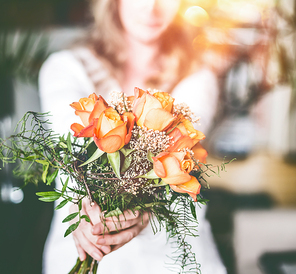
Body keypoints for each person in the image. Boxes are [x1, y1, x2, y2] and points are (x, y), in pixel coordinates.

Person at [39, 0, 227, 273]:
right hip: (82, 243)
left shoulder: (198, 77)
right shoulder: (65, 69)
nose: (151, 7)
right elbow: (76, 151)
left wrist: (139, 212)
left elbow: (177, 149)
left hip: (178, 260)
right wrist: (91, 217)